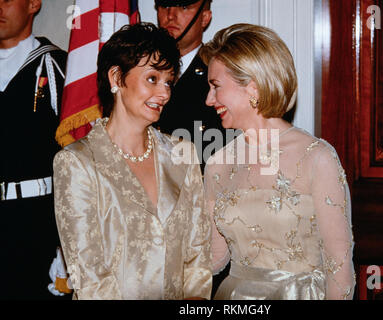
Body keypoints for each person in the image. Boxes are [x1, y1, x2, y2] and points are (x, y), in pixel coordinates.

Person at [53, 22, 212, 300]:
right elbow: (89, 277)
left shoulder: (183, 153)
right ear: (116, 78)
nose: (164, 93)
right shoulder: (76, 163)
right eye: (152, 78)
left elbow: (197, 257)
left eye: (168, 82)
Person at [201, 23, 355, 300]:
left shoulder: (317, 157)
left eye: (216, 86)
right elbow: (213, 258)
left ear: (252, 86)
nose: (209, 99)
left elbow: (340, 269)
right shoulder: (217, 164)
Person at [0, 0, 67, 299]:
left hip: (33, 225)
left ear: (33, 4)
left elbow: (76, 160)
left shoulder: (57, 68)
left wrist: (64, 244)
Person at [153, 0, 227, 172]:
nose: (170, 15)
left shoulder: (220, 78)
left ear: (204, 18)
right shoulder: (140, 72)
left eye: (184, 7)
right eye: (164, 6)